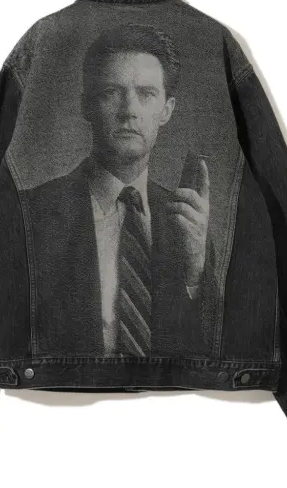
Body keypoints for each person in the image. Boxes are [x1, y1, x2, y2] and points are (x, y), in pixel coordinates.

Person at [22, 23, 217, 358]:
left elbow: (208, 351)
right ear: (86, 106)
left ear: (166, 111)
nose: (129, 111)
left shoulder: (188, 223)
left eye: (146, 94)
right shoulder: (31, 213)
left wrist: (196, 272)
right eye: (111, 92)